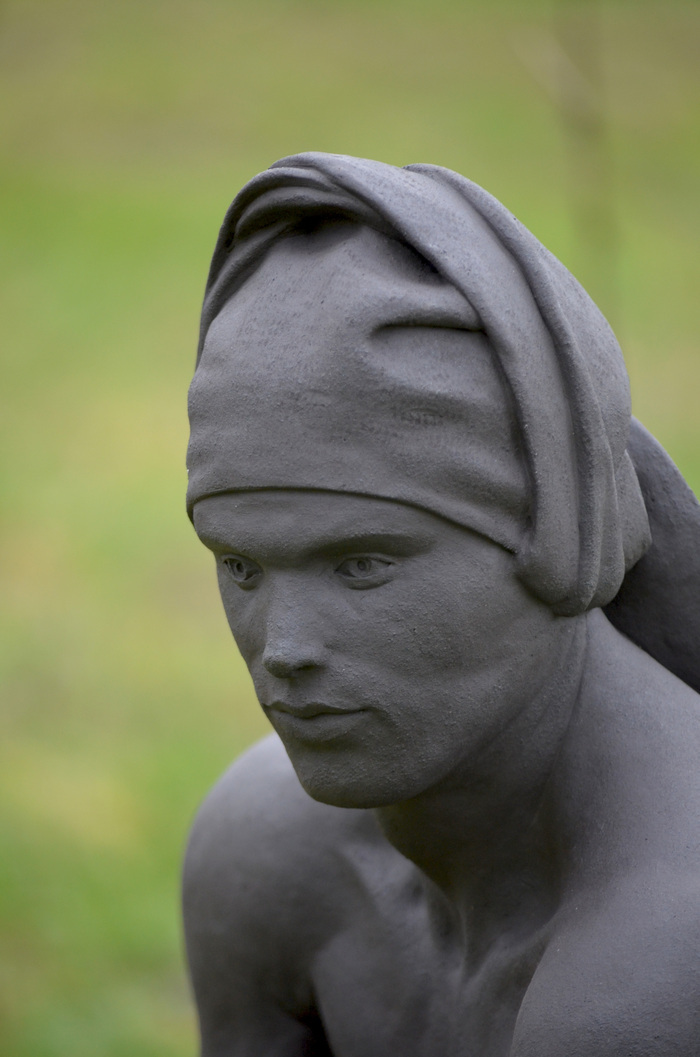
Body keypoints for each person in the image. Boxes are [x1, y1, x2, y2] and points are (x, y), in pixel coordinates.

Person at [182, 153, 700, 1056]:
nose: (285, 650)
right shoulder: (269, 857)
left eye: (362, 565)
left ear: (555, 538)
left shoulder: (651, 977)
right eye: (241, 566)